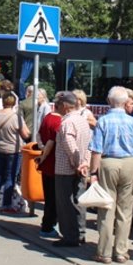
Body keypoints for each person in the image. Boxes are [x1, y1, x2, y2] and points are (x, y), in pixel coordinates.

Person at [87, 86, 133, 264]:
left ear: (109, 102)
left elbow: (96, 151)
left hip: (109, 163)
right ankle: (121, 252)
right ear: (125, 103)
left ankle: (104, 252)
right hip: (130, 163)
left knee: (107, 207)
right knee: (125, 209)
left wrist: (93, 173)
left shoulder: (103, 121)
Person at [53, 91, 92, 248]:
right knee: (79, 201)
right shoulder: (83, 120)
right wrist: (85, 163)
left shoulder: (67, 122)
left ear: (64, 106)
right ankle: (80, 233)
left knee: (65, 204)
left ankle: (70, 236)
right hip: (81, 168)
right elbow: (89, 144)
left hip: (66, 169)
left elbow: (70, 145)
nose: (56, 107)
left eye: (58, 105)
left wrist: (76, 163)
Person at [0, 89, 30, 212]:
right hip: (13, 151)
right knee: (10, 177)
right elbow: (26, 134)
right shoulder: (16, 117)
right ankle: (6, 204)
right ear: (14, 103)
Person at [33, 93, 62, 238]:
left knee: (48, 196)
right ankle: (48, 226)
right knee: (54, 198)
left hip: (46, 165)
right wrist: (45, 154)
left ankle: (47, 224)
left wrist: (41, 147)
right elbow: (52, 142)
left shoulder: (47, 118)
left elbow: (38, 135)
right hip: (54, 164)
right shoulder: (58, 122)